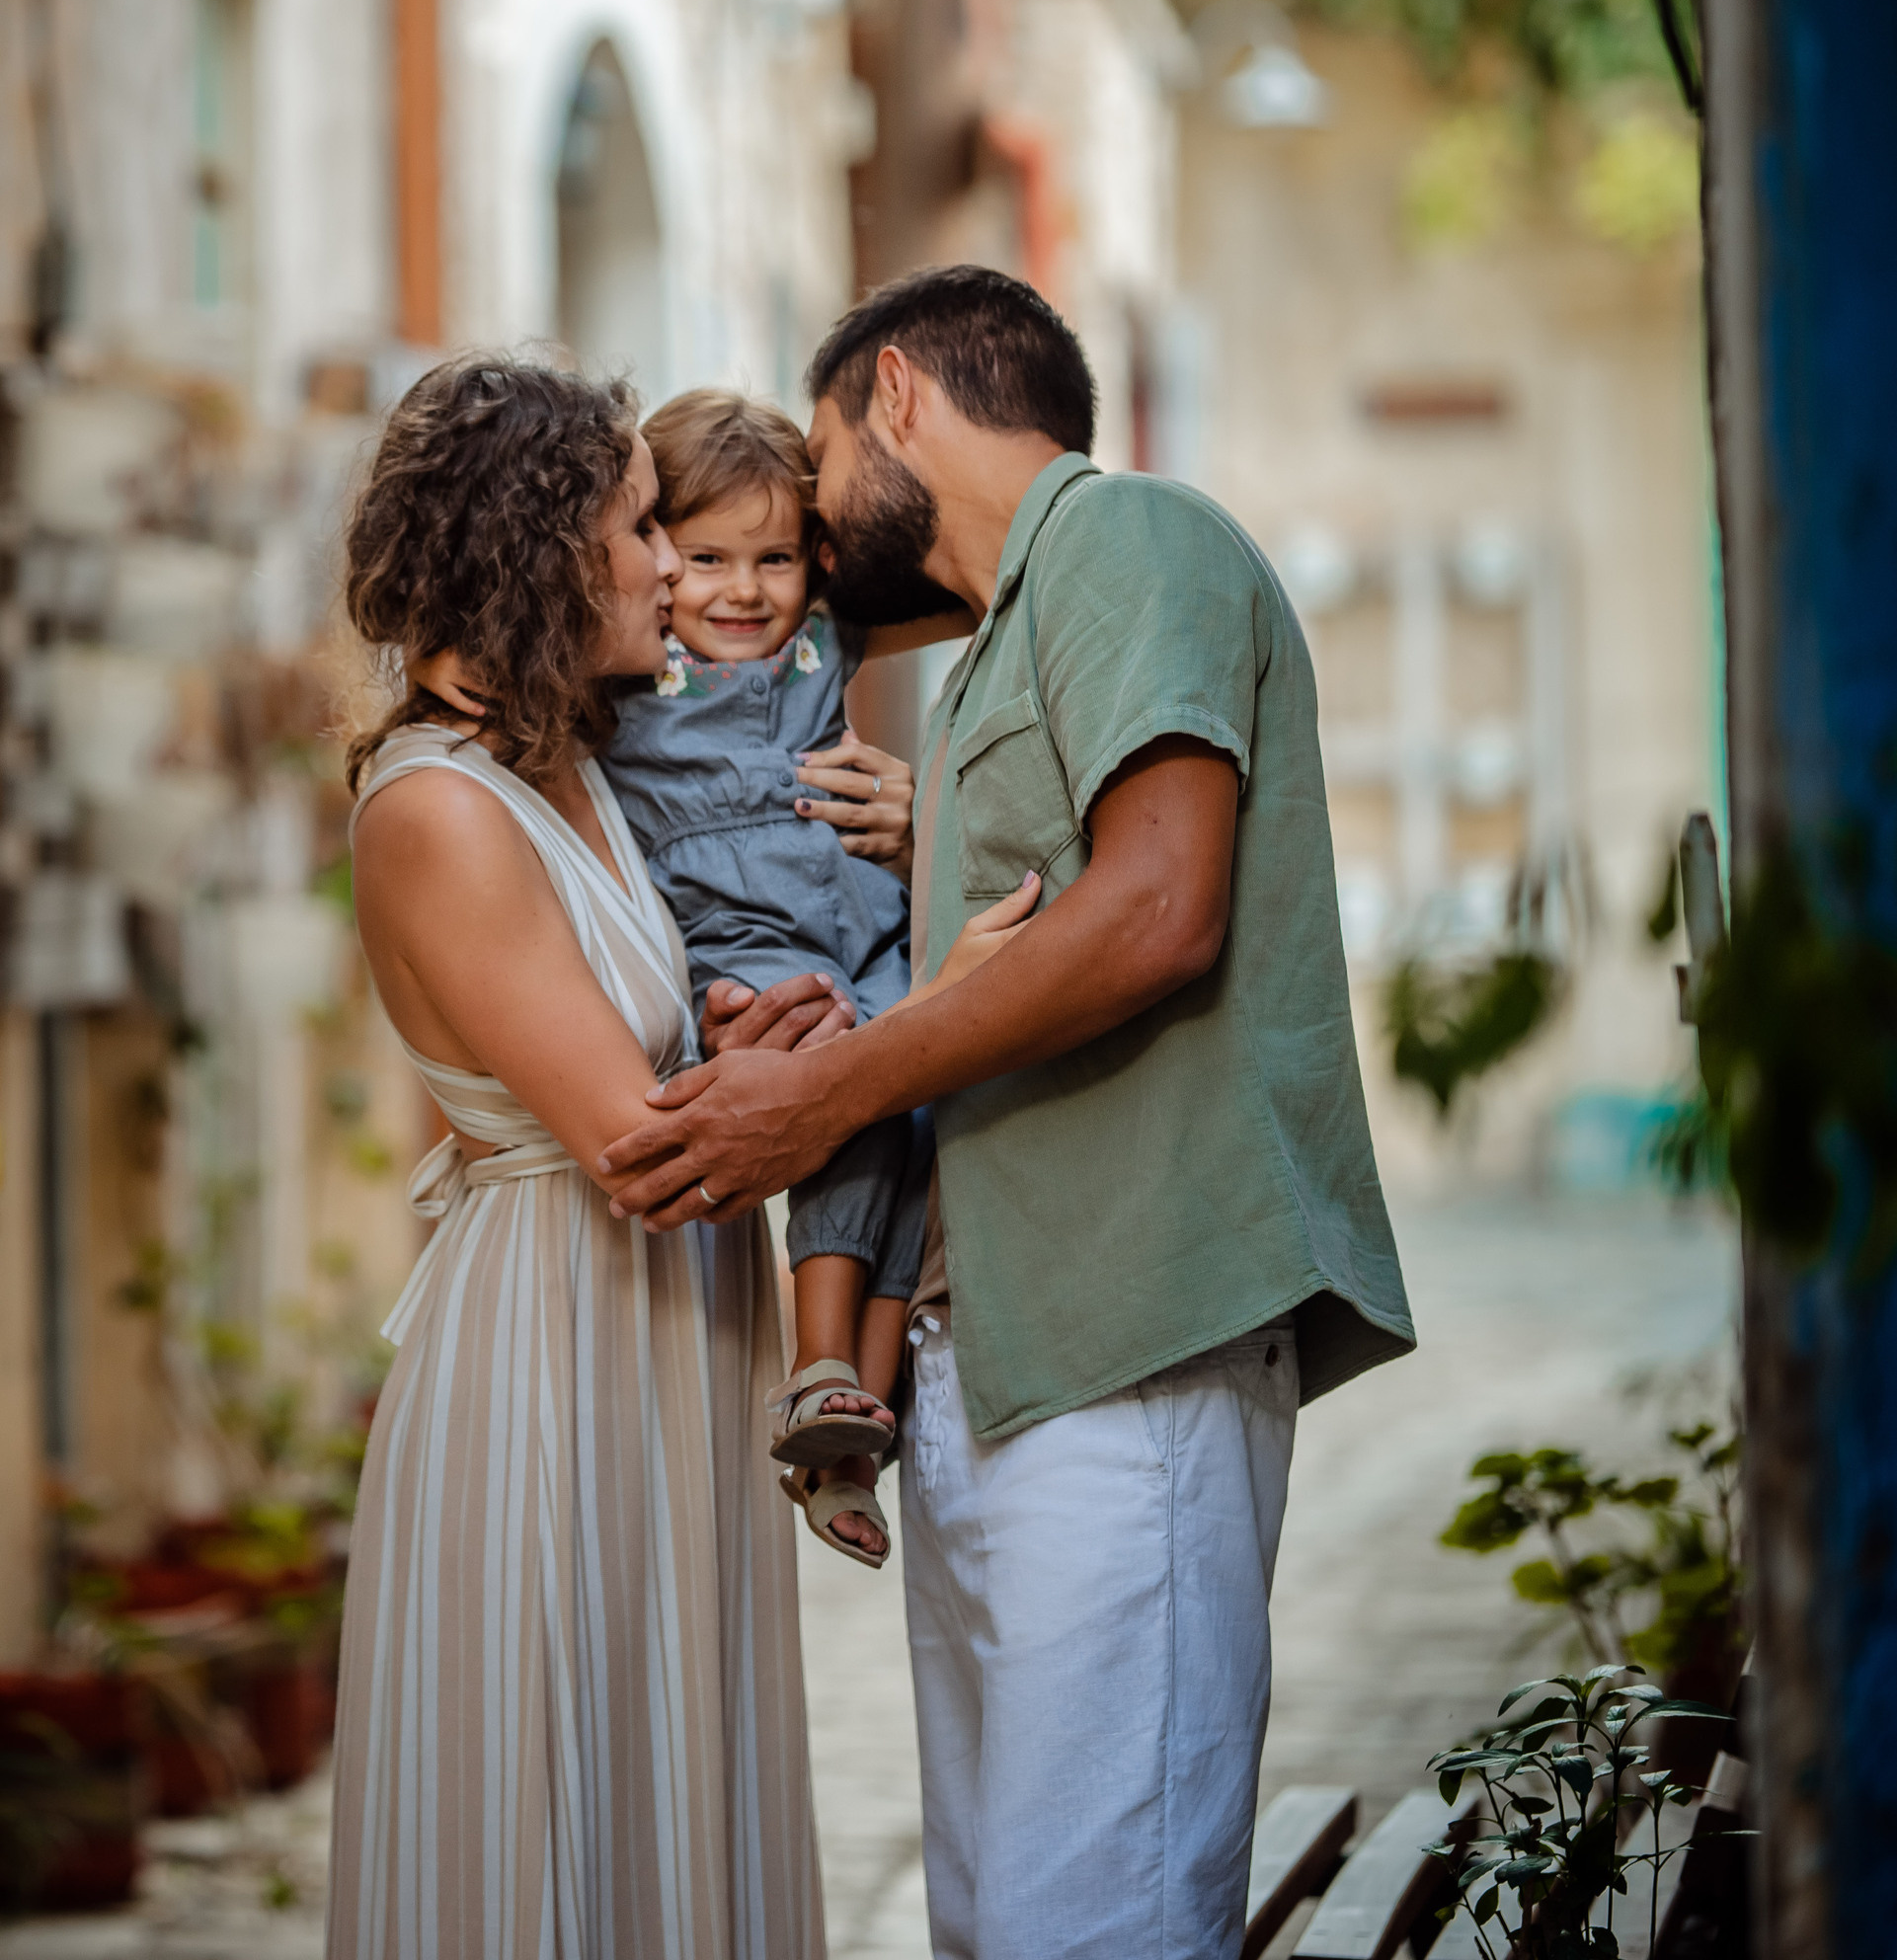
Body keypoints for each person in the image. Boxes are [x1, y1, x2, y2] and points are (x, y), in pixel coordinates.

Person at [597, 268, 1417, 1960]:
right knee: (1000, 1921)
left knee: (1087, 1922)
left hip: (1132, 1333)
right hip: (989, 1351)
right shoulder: (996, 650)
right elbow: (1023, 892)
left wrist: (819, 1089)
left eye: (817, 471)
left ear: (895, 398)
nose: (810, 536)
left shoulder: (1128, 540)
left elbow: (1155, 911)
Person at [324, 354, 828, 1960]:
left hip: (667, 1345)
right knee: (550, 1809)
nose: (672, 568)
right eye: (638, 529)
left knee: (666, 1793)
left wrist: (752, 1043)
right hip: (550, 1354)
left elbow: (656, 1073)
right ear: (542, 550)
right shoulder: (437, 810)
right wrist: (918, 1025)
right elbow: (637, 1149)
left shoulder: (584, 772)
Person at [598, 388, 987, 1571]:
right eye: (706, 555)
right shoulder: (627, 658)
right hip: (749, 949)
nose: (740, 589)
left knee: (924, 1122)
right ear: (657, 550)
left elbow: (973, 575)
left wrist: (842, 499)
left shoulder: (822, 626)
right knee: (854, 1099)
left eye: (773, 557)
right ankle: (822, 1362)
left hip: (864, 924)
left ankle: (846, 1437)